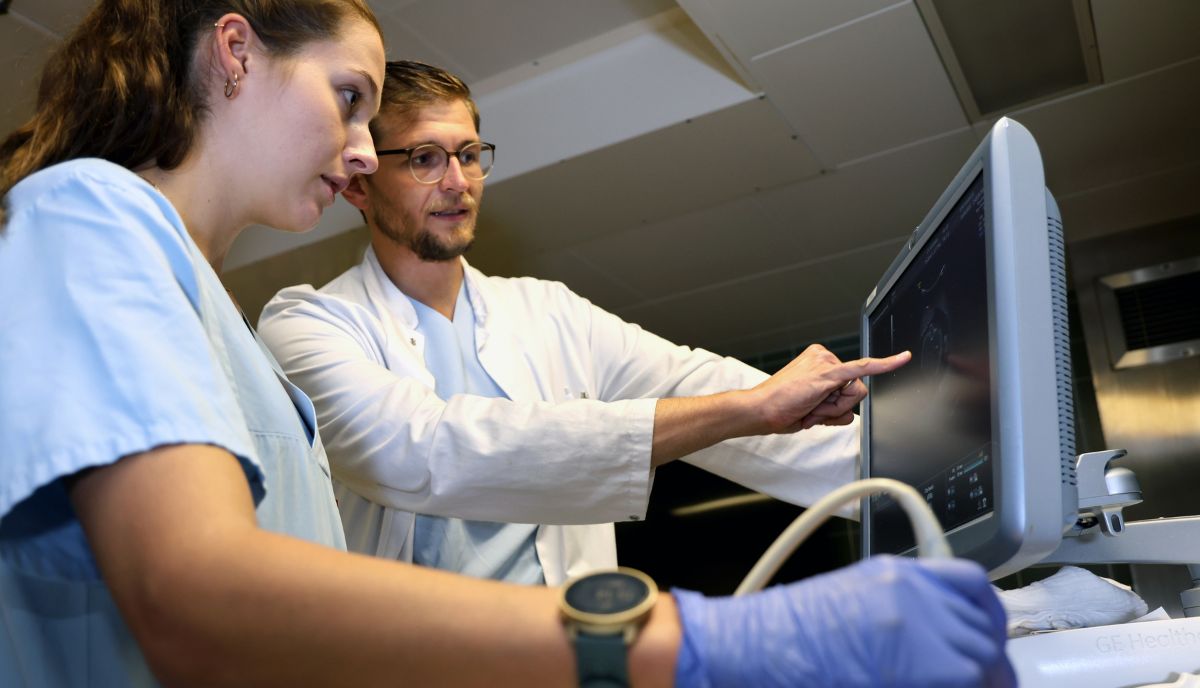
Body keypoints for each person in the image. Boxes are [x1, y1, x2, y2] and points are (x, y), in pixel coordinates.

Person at [0, 2, 1015, 686]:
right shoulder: (126, 229)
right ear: (235, 52)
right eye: (352, 102)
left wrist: (945, 466)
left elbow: (714, 396)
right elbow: (216, 586)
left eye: (469, 153)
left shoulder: (208, 305)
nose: (358, 152)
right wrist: (690, 640)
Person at [258, 60, 909, 585]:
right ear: (359, 183)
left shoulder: (548, 311)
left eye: (469, 154)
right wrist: (748, 407)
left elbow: (693, 387)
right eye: (425, 158)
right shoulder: (309, 323)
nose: (458, 181)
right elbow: (426, 451)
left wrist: (911, 469)